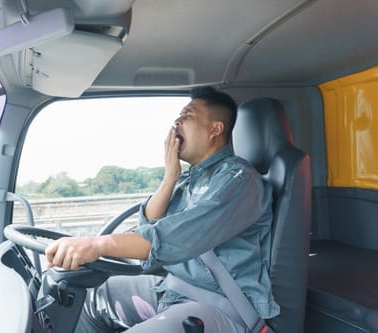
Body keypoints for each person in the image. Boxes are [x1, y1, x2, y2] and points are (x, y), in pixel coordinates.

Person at [45, 86, 280, 332]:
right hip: (172, 289)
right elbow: (148, 230)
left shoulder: (239, 180)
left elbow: (176, 239)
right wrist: (169, 178)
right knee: (94, 298)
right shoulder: (187, 181)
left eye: (188, 115)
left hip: (221, 306)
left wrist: (96, 245)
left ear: (215, 129)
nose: (176, 122)